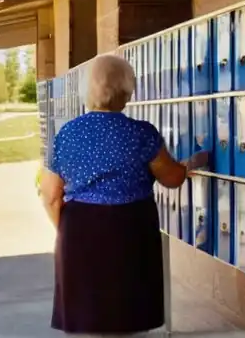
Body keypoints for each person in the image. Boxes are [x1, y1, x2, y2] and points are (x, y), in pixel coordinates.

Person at [39, 54, 209, 336]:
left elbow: (51, 196)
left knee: (87, 316)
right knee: (128, 314)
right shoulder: (142, 134)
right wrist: (188, 165)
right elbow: (172, 178)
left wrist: (68, 232)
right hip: (131, 229)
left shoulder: (67, 134)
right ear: (127, 92)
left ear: (86, 91)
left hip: (80, 229)